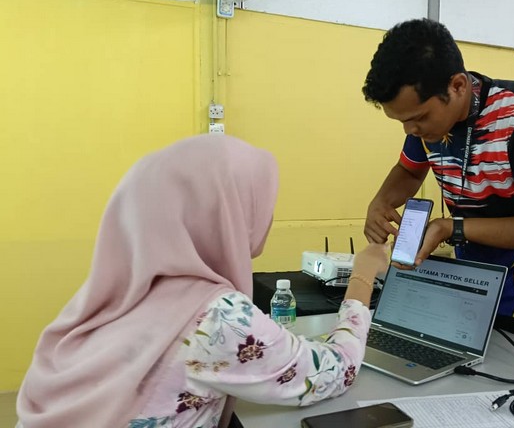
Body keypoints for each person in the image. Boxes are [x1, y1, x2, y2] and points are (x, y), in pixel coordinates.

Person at [16, 135, 389, 428]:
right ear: (223, 211)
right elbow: (335, 371)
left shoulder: (111, 295)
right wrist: (363, 273)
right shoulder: (215, 316)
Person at [361, 18, 514, 354]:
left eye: (418, 118)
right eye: (402, 121)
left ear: (457, 85)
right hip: (474, 287)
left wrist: (451, 228)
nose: (410, 131)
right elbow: (409, 171)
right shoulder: (429, 125)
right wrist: (380, 202)